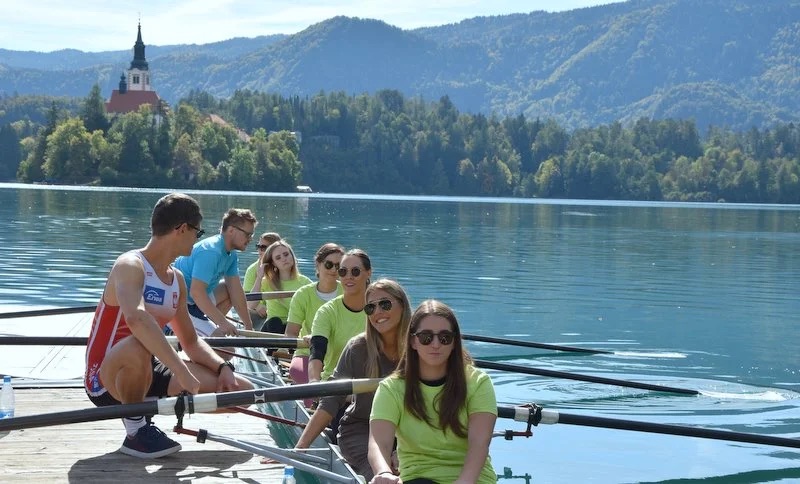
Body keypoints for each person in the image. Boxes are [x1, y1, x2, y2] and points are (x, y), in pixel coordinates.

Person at [84, 193, 253, 459]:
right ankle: (136, 431)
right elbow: (136, 319)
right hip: (104, 377)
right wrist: (179, 370)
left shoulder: (177, 280)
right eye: (198, 232)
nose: (198, 238)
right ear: (182, 229)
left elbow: (192, 342)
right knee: (140, 340)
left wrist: (223, 368)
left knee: (242, 394)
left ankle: (146, 407)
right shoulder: (130, 265)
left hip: (148, 367)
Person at [368, 300, 497, 484]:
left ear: (454, 342)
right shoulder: (391, 388)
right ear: (413, 341)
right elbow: (379, 443)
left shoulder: (479, 383)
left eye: (445, 337)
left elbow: (479, 444)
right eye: (426, 337)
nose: (436, 344)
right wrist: (383, 472)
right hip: (418, 478)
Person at [296, 279, 411, 481]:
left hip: (409, 433)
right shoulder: (358, 348)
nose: (377, 312)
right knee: (384, 476)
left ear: (402, 305)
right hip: (362, 429)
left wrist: (402, 450)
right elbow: (332, 400)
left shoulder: (421, 346)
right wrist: (301, 447)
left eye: (385, 304)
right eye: (370, 307)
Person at [172, 208, 257, 337]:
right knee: (226, 351)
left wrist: (249, 327)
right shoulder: (211, 252)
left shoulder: (231, 254)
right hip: (181, 306)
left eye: (252, 235)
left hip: (196, 302)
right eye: (247, 234)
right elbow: (197, 292)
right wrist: (223, 322)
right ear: (231, 230)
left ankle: (208, 328)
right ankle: (199, 333)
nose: (250, 239)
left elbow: (236, 292)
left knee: (228, 289)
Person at [285, 242, 345, 392]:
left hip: (340, 353)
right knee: (298, 372)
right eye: (329, 264)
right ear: (318, 265)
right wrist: (313, 340)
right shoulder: (302, 295)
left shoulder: (349, 292)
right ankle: (314, 406)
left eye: (339, 267)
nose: (333, 270)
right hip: (308, 351)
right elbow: (291, 333)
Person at [308, 248, 372, 383]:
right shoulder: (327, 312)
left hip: (372, 386)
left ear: (368, 273)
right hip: (334, 386)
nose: (349, 276)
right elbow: (317, 352)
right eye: (343, 272)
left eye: (355, 271)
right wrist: (314, 381)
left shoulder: (379, 309)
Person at [248, 239, 312, 334]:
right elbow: (251, 305)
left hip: (295, 329)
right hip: (272, 329)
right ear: (273, 263)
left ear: (292, 255)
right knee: (275, 322)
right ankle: (277, 348)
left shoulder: (305, 282)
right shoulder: (267, 282)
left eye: (286, 254)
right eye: (278, 258)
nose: (283, 259)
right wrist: (259, 277)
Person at [242, 232, 282, 330]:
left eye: (263, 247)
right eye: (258, 246)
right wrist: (258, 306)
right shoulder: (252, 269)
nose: (259, 250)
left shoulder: (284, 268)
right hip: (257, 314)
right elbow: (246, 298)